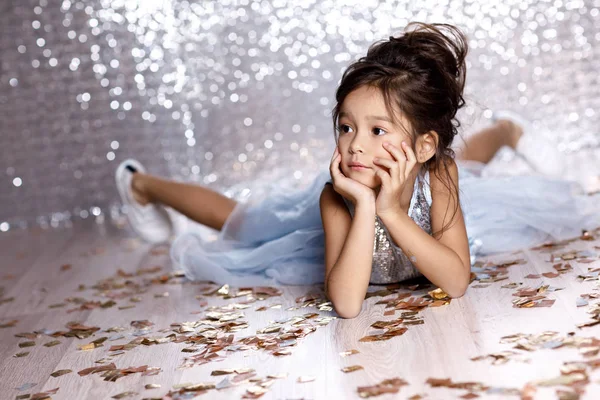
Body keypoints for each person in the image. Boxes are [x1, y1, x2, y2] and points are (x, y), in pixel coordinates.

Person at [115, 23, 600, 318]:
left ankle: (504, 131)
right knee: (245, 224)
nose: (354, 146)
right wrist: (369, 204)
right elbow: (347, 303)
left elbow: (454, 281)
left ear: (423, 145)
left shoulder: (439, 171)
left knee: (466, 165)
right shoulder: (336, 195)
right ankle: (140, 182)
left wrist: (396, 211)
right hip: (348, 208)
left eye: (377, 131)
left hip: (425, 179)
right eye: (346, 127)